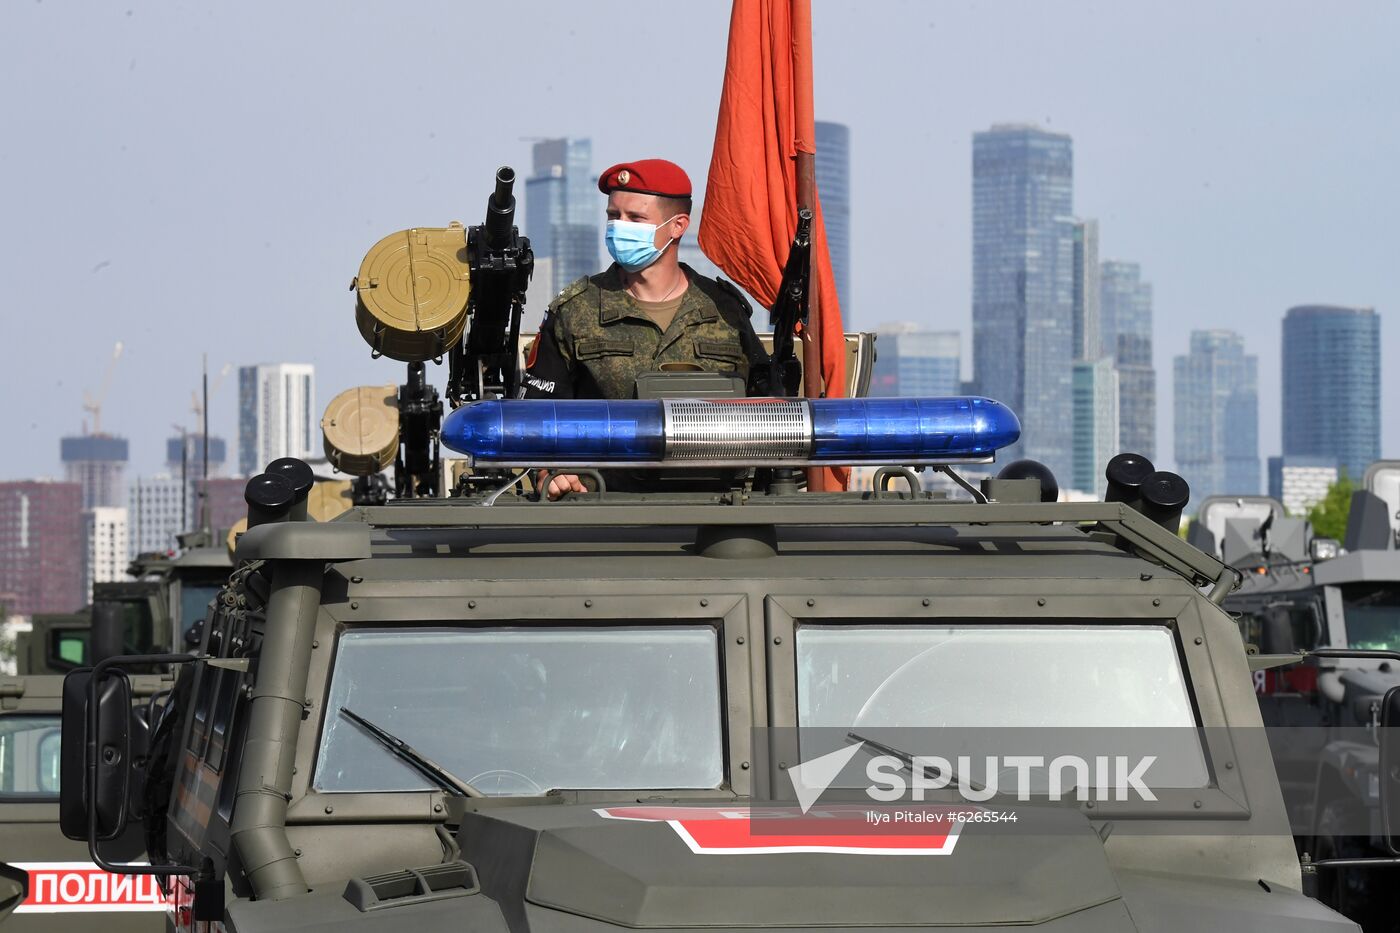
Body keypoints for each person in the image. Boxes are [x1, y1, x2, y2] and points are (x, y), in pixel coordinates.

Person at [519, 158, 771, 499]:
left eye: (635, 218)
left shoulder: (724, 310)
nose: (619, 227)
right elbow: (537, 414)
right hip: (603, 504)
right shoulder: (576, 310)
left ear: (677, 225)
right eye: (613, 216)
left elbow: (768, 407)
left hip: (717, 504)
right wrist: (550, 471)